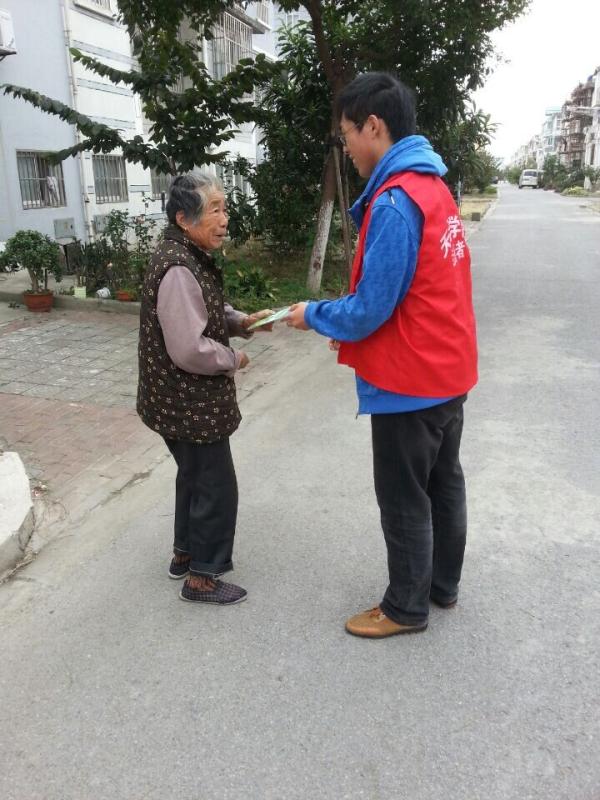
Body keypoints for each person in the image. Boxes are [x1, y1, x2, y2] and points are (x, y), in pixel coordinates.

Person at [286, 73, 478, 638]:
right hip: (447, 369)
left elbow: (372, 307)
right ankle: (441, 586)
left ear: (373, 126)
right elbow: (415, 293)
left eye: (347, 132)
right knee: (443, 483)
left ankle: (405, 608)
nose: (345, 145)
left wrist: (315, 314)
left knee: (403, 497)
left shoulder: (396, 201)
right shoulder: (433, 188)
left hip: (410, 380)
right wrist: (346, 328)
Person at [137, 172, 273, 606]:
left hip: (175, 400)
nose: (224, 218)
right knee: (215, 486)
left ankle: (185, 553)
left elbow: (204, 308)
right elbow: (189, 348)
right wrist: (233, 358)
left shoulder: (187, 255)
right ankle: (202, 579)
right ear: (183, 218)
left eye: (224, 208)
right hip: (187, 402)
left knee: (194, 476)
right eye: (214, 210)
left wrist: (241, 321)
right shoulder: (178, 267)